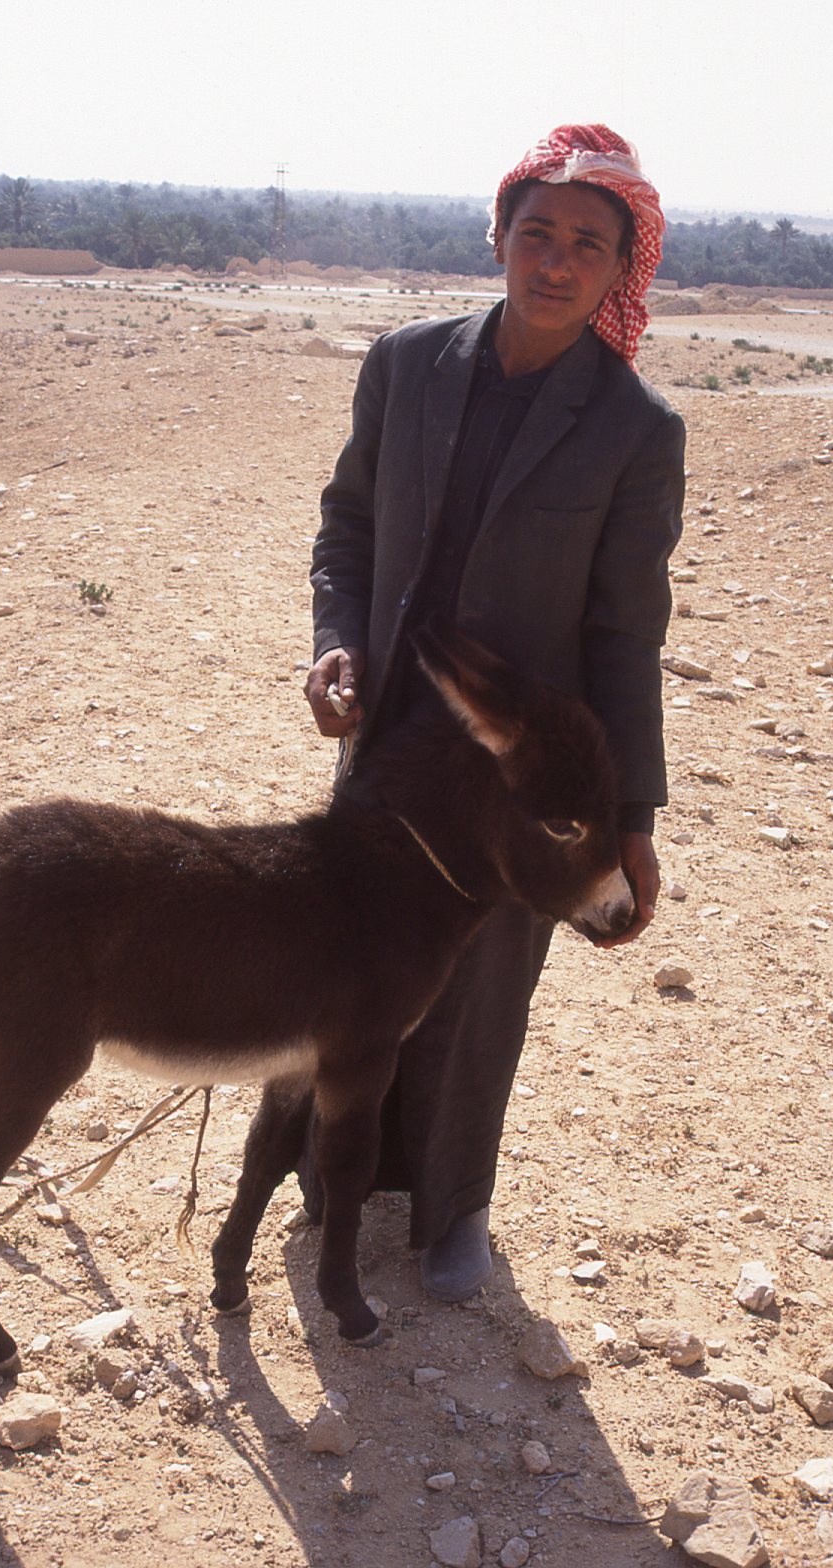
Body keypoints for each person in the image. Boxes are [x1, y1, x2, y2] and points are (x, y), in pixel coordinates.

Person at [299, 124, 685, 1301]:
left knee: (485, 978)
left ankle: (454, 1203)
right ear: (500, 236)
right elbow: (348, 525)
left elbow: (625, 636)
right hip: (391, 735)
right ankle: (329, 1172)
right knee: (346, 950)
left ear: (620, 268)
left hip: (519, 770)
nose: (556, 262)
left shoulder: (636, 428)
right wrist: (335, 641)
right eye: (537, 234)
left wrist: (629, 819)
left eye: (586, 245)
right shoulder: (406, 364)